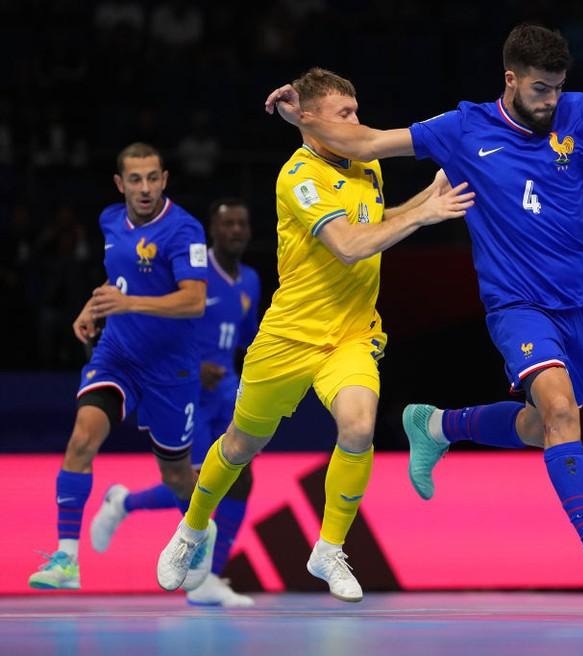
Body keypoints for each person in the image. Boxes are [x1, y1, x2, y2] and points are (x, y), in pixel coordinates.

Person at [260, 24, 583, 600]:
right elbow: (366, 142)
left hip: (578, 303)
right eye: (539, 90)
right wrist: (301, 118)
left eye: (558, 88)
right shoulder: (462, 129)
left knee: (541, 427)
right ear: (509, 79)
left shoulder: (582, 113)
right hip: (516, 304)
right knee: (561, 413)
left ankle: (435, 425)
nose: (550, 101)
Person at [156, 68, 475, 601]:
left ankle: (328, 549)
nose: (358, 123)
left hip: (351, 334)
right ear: (311, 121)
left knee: (358, 427)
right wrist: (423, 218)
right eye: (345, 115)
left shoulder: (367, 164)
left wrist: (424, 200)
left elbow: (376, 219)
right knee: (239, 445)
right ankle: (191, 531)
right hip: (290, 335)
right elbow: (350, 244)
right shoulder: (297, 177)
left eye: (357, 111)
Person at [29, 142, 217, 590]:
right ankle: (67, 559)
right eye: (135, 179)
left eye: (153, 178)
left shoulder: (184, 230)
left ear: (165, 179)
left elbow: (192, 301)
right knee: (82, 437)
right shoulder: (110, 220)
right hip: (118, 355)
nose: (145, 188)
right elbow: (120, 280)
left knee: (176, 476)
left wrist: (127, 301)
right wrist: (94, 308)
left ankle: (200, 531)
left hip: (171, 371)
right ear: (120, 184)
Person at [89, 198, 260, 607]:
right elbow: (157, 315)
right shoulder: (192, 275)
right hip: (181, 387)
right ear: (213, 233)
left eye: (242, 223)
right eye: (228, 224)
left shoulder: (251, 280)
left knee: (242, 480)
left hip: (226, 395)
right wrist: (194, 363)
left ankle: (209, 579)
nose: (236, 230)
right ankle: (123, 502)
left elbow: (249, 337)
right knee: (198, 481)